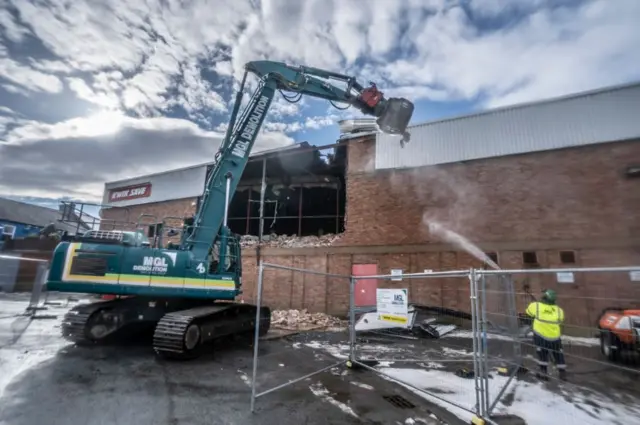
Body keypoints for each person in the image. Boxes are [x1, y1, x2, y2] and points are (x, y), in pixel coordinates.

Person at [525, 289, 567, 381]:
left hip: (541, 336)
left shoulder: (535, 306)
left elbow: (528, 312)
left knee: (542, 353)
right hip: (555, 337)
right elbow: (560, 320)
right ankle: (562, 372)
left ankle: (543, 372)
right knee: (558, 353)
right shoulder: (559, 310)